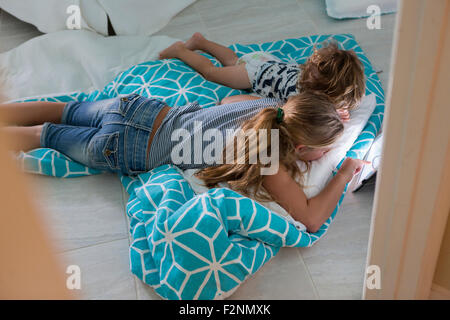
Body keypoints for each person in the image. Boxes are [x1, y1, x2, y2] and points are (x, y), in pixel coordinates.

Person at [0, 92, 368, 233]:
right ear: (301, 147)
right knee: (40, 135)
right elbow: (310, 218)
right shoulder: (269, 159)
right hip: (125, 147)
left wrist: (322, 115)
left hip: (139, 108)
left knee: (63, 110)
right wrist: (346, 170)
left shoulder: (265, 108)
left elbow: (228, 101)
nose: (326, 156)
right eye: (325, 149)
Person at [159, 32, 366, 121]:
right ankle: (180, 51)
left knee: (233, 60)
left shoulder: (314, 75)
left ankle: (200, 42)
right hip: (254, 75)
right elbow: (294, 113)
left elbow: (334, 95)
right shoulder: (300, 97)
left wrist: (340, 109)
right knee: (212, 73)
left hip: (267, 61)